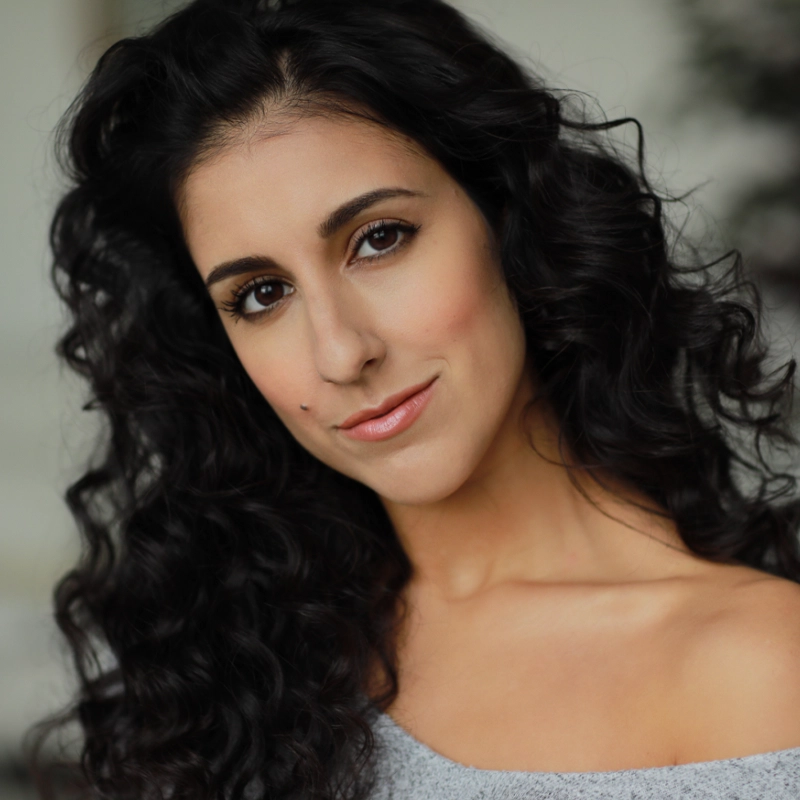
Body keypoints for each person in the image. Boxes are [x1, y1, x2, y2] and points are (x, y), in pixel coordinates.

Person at [37, 0, 800, 797]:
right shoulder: (235, 672)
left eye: (379, 238)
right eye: (262, 295)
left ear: (504, 212)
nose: (341, 352)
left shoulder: (760, 665)